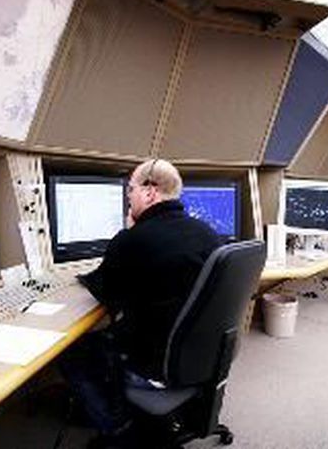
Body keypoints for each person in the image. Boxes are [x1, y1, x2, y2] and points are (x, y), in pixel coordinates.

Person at [60, 158, 221, 444]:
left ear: (150, 192)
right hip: (202, 357)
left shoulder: (133, 240)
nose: (128, 197)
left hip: (155, 365)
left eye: (131, 189)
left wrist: (128, 234)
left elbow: (105, 294)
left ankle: (120, 430)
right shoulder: (207, 233)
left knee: (74, 351)